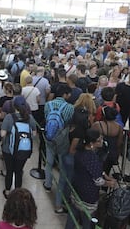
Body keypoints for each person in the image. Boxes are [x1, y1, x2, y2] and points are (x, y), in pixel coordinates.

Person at [65, 129, 117, 229]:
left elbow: (90, 169)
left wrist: (105, 175)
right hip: (88, 194)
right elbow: (98, 181)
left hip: (77, 188)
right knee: (87, 221)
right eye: (99, 140)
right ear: (92, 143)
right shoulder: (91, 157)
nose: (102, 141)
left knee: (72, 216)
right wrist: (109, 183)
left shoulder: (80, 151)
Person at [44, 84, 74, 213]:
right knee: (63, 169)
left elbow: (47, 119)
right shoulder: (70, 108)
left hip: (50, 136)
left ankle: (48, 184)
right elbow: (69, 123)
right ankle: (58, 203)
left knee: (49, 162)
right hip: (62, 139)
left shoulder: (48, 105)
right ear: (66, 94)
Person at [1, 96, 37, 199]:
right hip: (23, 149)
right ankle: (17, 193)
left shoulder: (9, 117)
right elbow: (34, 134)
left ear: (14, 106)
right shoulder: (29, 117)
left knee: (9, 171)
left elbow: (2, 134)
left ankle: (7, 191)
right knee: (19, 171)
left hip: (8, 149)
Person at [91, 105, 123, 174]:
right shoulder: (119, 127)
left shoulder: (98, 125)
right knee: (107, 171)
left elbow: (90, 136)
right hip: (112, 153)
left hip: (100, 152)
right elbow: (119, 143)